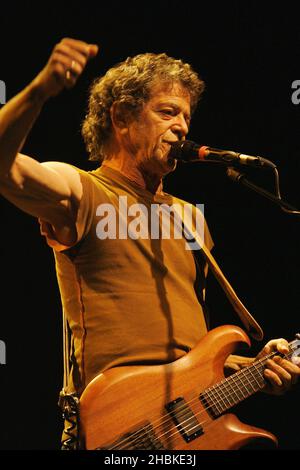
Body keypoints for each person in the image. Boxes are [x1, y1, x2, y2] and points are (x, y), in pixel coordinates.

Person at [0, 38, 299, 450]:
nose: (182, 127)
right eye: (167, 112)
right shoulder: (84, 190)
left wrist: (256, 369)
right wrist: (40, 91)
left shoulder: (190, 219)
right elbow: (5, 169)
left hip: (185, 428)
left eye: (186, 117)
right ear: (122, 118)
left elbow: (190, 354)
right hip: (117, 422)